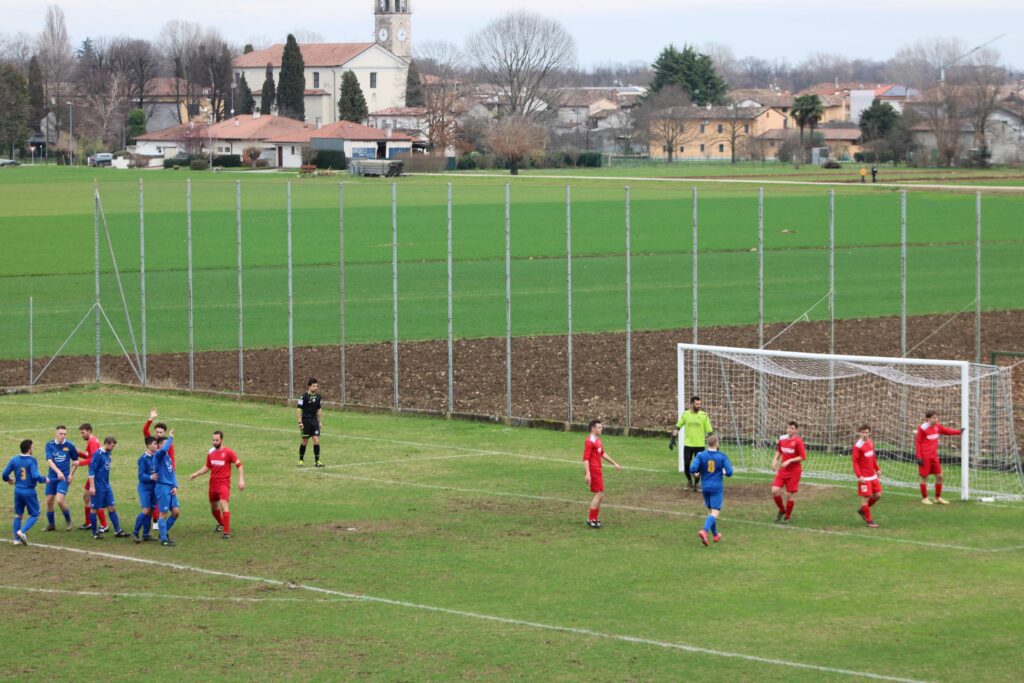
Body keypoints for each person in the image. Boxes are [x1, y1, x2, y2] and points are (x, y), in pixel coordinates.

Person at [189, 430, 245, 540]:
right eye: (213, 440)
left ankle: (226, 532)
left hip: (224, 483)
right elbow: (207, 466)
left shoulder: (228, 452)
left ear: (221, 440)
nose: (214, 442)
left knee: (224, 505)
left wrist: (241, 480)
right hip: (213, 484)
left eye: (217, 440)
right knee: (214, 508)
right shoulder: (211, 452)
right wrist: (196, 474)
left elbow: (240, 465)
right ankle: (221, 524)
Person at [690, 435, 733, 546]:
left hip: (705, 487)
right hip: (716, 488)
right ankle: (704, 531)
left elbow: (692, 469)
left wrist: (697, 473)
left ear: (707, 443)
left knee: (710, 511)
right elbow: (729, 472)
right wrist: (722, 472)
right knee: (715, 512)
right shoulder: (722, 456)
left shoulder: (700, 455)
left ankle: (715, 535)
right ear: (717, 443)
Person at [3, 440, 48, 545]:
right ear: (29, 449)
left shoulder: (14, 459)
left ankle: (16, 540)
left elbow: (4, 474)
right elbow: (35, 476)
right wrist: (44, 479)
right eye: (32, 447)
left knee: (18, 515)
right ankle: (21, 532)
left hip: (17, 491)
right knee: (35, 514)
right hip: (29, 491)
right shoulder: (32, 460)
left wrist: (9, 479)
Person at [915, 410, 963, 505]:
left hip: (934, 456)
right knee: (924, 476)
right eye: (933, 418)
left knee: (940, 476)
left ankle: (937, 497)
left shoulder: (937, 426)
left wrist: (959, 432)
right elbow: (918, 442)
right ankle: (924, 498)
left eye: (936, 417)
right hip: (925, 456)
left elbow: (947, 431)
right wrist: (919, 456)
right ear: (927, 419)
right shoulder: (922, 428)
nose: (935, 419)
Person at [86, 437, 130, 540]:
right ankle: (94, 533)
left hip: (106, 485)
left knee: (112, 507)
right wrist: (92, 486)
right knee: (95, 509)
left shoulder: (108, 454)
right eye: (112, 446)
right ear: (106, 443)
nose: (113, 448)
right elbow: (91, 471)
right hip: (98, 486)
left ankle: (118, 531)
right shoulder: (98, 455)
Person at [582, 419, 622, 528]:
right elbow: (585, 458)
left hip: (598, 470)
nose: (601, 429)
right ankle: (591, 519)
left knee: (601, 494)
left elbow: (602, 453)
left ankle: (594, 518)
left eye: (601, 427)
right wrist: (587, 474)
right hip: (593, 470)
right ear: (593, 428)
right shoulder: (590, 441)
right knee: (599, 494)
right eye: (599, 427)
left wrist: (614, 463)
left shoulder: (597, 440)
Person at [670, 396, 714, 492]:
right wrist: (673, 438)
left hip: (700, 445)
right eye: (697, 404)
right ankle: (689, 481)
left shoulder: (704, 416)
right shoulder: (686, 415)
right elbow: (678, 427)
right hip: (688, 445)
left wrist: (714, 445)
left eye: (700, 404)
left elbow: (710, 432)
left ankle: (697, 484)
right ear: (691, 404)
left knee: (699, 466)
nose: (699, 406)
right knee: (686, 464)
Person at [43, 425, 79, 531]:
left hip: (64, 478)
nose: (62, 436)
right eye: (60, 434)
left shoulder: (70, 446)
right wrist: (58, 472)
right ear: (56, 433)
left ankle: (68, 521)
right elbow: (49, 461)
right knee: (49, 501)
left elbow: (76, 462)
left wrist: (71, 474)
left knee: (59, 500)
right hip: (52, 477)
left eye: (64, 434)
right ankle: (51, 525)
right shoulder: (49, 445)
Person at [143, 409, 175, 528]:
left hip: (161, 474)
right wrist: (151, 418)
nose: (158, 434)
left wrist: (172, 477)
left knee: (158, 497)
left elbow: (172, 461)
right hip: (150, 472)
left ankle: (156, 521)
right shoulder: (151, 441)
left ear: (164, 432)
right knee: (151, 497)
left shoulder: (166, 445)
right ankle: (150, 520)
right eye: (157, 432)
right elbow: (145, 431)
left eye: (161, 432)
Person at [771, 421, 806, 524]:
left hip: (794, 471)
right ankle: (782, 510)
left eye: (792, 428)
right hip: (783, 470)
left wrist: (789, 461)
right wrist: (775, 460)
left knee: (789, 495)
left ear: (796, 430)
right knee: (775, 490)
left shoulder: (798, 441)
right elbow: (779, 450)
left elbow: (803, 457)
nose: (790, 430)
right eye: (789, 428)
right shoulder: (782, 439)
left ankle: (787, 517)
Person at [76, 423, 108, 532]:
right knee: (86, 497)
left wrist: (79, 463)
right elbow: (89, 456)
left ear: (89, 431)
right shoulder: (92, 441)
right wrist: (78, 453)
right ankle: (88, 522)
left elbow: (94, 459)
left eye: (83, 433)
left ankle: (104, 525)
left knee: (95, 500)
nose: (82, 435)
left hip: (95, 475)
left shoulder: (92, 441)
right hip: (94, 474)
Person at [152, 432, 180, 546]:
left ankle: (163, 532)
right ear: (159, 446)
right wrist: (170, 438)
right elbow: (164, 450)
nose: (167, 446)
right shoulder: (158, 455)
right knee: (163, 514)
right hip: (162, 487)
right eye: (164, 444)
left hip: (170, 487)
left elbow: (172, 473)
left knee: (176, 512)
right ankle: (163, 539)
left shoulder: (168, 457)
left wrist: (175, 485)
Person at [852, 424, 881, 528]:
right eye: (863, 432)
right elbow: (855, 462)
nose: (865, 434)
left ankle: (862, 510)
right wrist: (859, 476)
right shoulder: (857, 446)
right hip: (864, 477)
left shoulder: (870, 442)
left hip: (872, 475)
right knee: (865, 497)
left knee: (877, 495)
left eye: (867, 432)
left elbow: (872, 457)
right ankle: (869, 521)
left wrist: (877, 469)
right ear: (859, 433)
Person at [131, 436, 160, 543]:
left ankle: (146, 534)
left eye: (157, 443)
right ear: (148, 445)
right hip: (145, 488)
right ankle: (135, 532)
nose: (156, 445)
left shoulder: (156, 456)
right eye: (154, 444)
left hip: (154, 488)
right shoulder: (143, 458)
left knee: (151, 511)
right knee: (146, 510)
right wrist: (150, 477)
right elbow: (140, 476)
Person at [296, 377, 324, 467]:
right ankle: (301, 460)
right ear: (309, 386)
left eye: (316, 386)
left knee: (316, 440)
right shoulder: (303, 397)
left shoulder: (318, 397)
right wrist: (300, 422)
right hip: (305, 421)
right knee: (304, 441)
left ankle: (317, 461)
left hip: (314, 421)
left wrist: (320, 422)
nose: (315, 388)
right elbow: (298, 410)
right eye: (313, 386)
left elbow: (319, 410)